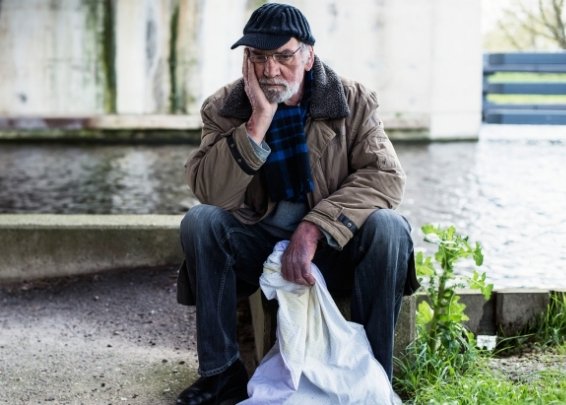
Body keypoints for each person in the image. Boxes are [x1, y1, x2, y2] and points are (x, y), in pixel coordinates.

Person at [175, 3, 419, 404]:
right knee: (201, 222)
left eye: (283, 56)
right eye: (259, 57)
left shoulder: (352, 101)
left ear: (308, 55)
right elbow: (211, 193)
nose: (270, 70)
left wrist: (315, 227)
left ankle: (372, 374)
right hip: (259, 246)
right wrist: (257, 122)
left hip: (332, 249)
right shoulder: (225, 107)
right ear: (246, 60)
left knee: (391, 228)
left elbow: (386, 177)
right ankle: (222, 374)